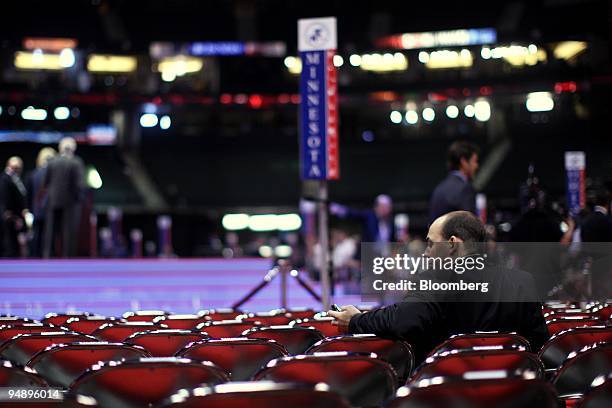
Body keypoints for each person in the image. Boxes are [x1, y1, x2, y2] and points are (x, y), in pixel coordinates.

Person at [328, 211, 548, 363]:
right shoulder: (523, 281)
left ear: (452, 244)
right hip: (512, 392)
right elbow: (539, 343)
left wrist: (356, 320)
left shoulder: (434, 279)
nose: (426, 252)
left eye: (431, 244)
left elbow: (404, 321)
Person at [43, 137, 85, 258]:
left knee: (50, 230)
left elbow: (45, 183)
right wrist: (80, 199)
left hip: (53, 200)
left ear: (60, 148)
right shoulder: (76, 162)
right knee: (69, 232)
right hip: (71, 202)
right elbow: (79, 184)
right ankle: (68, 257)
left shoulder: (52, 162)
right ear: (73, 149)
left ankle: (48, 256)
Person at [429, 141, 479, 223]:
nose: (476, 166)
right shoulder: (465, 189)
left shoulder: (438, 189)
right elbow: (470, 228)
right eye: (475, 161)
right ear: (464, 161)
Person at [26, 147, 56, 257]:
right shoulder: (53, 175)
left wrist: (30, 209)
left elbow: (28, 195)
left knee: (37, 234)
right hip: (49, 209)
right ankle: (47, 256)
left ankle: (35, 256)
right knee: (48, 236)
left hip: (36, 209)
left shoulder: (32, 174)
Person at [330, 194, 396, 244]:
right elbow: (354, 214)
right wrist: (338, 209)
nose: (385, 210)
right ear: (376, 207)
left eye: (387, 207)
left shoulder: (391, 221)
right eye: (383, 207)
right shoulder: (369, 216)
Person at [0, 157, 28, 257]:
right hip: (9, 214)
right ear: (9, 166)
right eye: (15, 167)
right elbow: (4, 197)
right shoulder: (4, 178)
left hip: (15, 214)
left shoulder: (15, 178)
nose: (17, 169)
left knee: (14, 238)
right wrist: (8, 213)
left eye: (19, 167)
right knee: (8, 238)